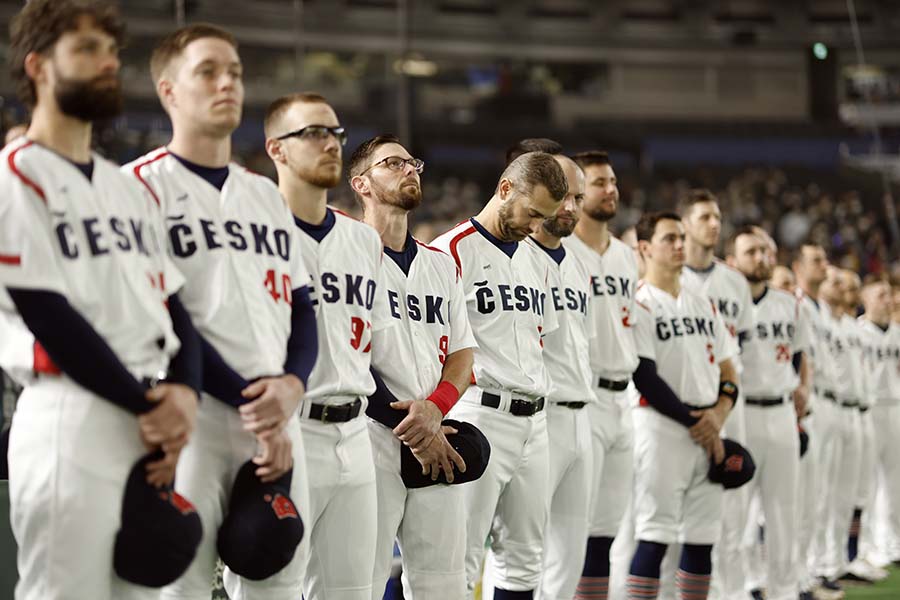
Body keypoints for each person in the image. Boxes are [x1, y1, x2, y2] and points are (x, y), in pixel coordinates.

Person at [1, 1, 202, 597]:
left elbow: (173, 303)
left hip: (146, 417)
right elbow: (48, 313)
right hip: (71, 411)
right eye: (87, 50)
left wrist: (185, 396)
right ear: (38, 67)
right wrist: (153, 408)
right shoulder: (17, 173)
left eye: (111, 51)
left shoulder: (125, 187)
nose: (107, 63)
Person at [127, 24, 316, 600]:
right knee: (180, 586)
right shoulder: (136, 186)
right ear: (169, 91)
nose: (227, 82)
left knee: (279, 582)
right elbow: (162, 317)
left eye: (234, 71)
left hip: (278, 415)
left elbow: (302, 307)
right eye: (207, 71)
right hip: (194, 415)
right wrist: (257, 405)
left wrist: (291, 386)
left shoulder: (262, 194)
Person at [264, 92, 389, 600]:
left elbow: (370, 352)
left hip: (355, 433)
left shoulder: (363, 241)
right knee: (270, 588)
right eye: (312, 133)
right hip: (283, 431)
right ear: (276, 149)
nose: (330, 143)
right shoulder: (253, 229)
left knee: (353, 592)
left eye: (335, 133)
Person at [431, 151, 567, 599]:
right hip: (478, 411)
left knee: (525, 559)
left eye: (544, 218)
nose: (535, 226)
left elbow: (542, 343)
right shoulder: (449, 252)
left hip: (535, 420)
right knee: (458, 558)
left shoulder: (540, 262)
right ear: (505, 189)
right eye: (532, 213)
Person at [351, 134, 476, 599]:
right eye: (393, 163)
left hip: (435, 435)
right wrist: (415, 427)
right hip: (368, 434)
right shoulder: (348, 252)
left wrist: (435, 412)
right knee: (358, 582)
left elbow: (462, 354)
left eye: (413, 163)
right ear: (361, 183)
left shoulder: (440, 265)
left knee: (444, 587)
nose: (410, 170)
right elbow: (345, 354)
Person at [627, 211, 738, 600]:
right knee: (654, 534)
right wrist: (700, 422)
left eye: (680, 238)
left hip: (708, 426)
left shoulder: (703, 303)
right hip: (661, 427)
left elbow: (729, 367)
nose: (680, 245)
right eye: (669, 239)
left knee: (702, 537)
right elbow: (645, 375)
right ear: (644, 248)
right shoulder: (639, 302)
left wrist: (719, 414)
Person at [518, 149, 596, 600]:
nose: (570, 207)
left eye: (578, 199)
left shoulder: (579, 262)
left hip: (580, 414)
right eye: (564, 195)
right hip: (539, 416)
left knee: (571, 548)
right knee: (521, 548)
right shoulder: (517, 256)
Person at [563, 151, 640, 600]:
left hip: (621, 398)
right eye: (598, 183)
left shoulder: (628, 257)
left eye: (613, 181)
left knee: (607, 529)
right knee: (572, 529)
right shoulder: (560, 250)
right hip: (581, 396)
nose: (610, 190)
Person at [728, 227, 810, 600]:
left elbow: (799, 352)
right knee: (735, 512)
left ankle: (785, 591)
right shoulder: (724, 302)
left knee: (784, 512)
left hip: (780, 411)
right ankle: (738, 588)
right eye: (750, 252)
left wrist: (804, 384)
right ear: (732, 261)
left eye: (764, 251)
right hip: (741, 411)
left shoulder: (790, 303)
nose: (760, 257)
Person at [679, 189, 752, 600]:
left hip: (727, 396)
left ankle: (730, 590)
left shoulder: (735, 281)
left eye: (717, 216)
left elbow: (739, 345)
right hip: (682, 399)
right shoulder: (667, 274)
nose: (714, 223)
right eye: (705, 216)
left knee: (730, 497)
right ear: (686, 224)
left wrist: (726, 402)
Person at [792, 244, 841, 600]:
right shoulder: (794, 303)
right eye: (817, 260)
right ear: (797, 267)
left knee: (821, 494)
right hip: (807, 403)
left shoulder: (821, 308)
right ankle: (798, 572)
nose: (825, 265)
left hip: (828, 402)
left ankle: (811, 568)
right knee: (804, 496)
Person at [836, 270, 887, 584]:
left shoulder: (848, 328)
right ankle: (835, 556)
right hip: (839, 408)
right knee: (837, 493)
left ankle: (857, 550)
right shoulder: (856, 328)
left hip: (863, 409)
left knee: (862, 491)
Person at [817, 266, 863, 594]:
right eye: (837, 283)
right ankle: (818, 564)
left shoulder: (845, 324)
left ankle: (833, 561)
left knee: (841, 495)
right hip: (822, 405)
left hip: (850, 408)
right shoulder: (814, 316)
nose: (844, 289)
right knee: (820, 495)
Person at [858, 281, 900, 569]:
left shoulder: (897, 333)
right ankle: (868, 545)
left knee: (895, 482)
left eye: (889, 295)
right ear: (866, 299)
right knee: (868, 483)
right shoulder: (857, 332)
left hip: (895, 408)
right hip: (868, 409)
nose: (888, 300)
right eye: (880, 295)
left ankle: (893, 542)